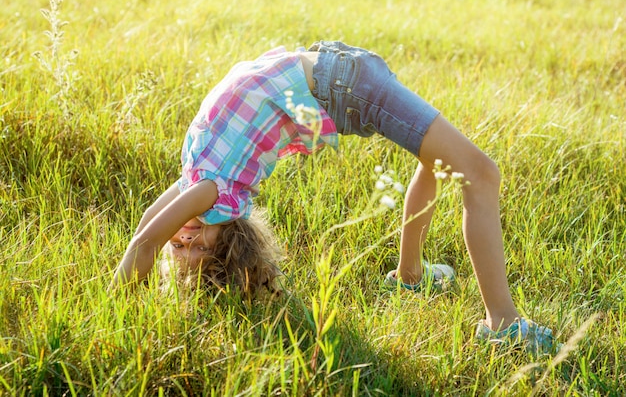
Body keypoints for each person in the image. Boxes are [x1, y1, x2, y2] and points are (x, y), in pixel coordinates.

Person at [111, 40, 558, 353]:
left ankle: (410, 276)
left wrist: (114, 310)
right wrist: (122, 316)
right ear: (224, 233)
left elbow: (146, 234)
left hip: (334, 69)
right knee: (481, 174)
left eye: (179, 243)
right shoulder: (211, 193)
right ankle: (502, 322)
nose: (183, 235)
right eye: (197, 246)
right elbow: (146, 243)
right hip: (347, 88)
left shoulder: (195, 176)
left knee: (434, 159)